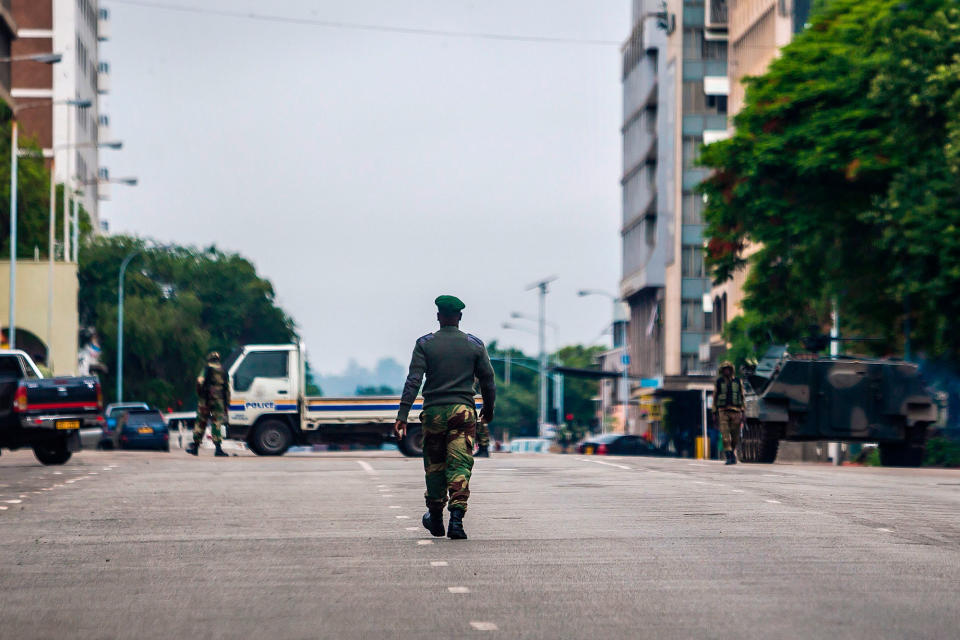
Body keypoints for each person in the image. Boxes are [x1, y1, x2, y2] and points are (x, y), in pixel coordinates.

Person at [394, 295, 496, 540]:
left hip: (434, 413)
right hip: (463, 412)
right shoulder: (475, 345)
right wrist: (489, 409)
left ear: (438, 316)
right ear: (459, 317)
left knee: (435, 465)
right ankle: (457, 522)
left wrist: (403, 414)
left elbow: (414, 381)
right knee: (460, 464)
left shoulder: (425, 344)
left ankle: (436, 518)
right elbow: (488, 380)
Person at [187, 351, 230, 457]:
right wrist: (226, 404)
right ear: (218, 359)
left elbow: (199, 381)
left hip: (205, 401)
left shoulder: (206, 368)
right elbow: (227, 389)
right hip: (219, 401)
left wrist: (200, 394)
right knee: (217, 424)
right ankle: (218, 449)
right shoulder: (224, 370)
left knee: (201, 422)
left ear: (209, 359)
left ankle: (195, 448)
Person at [714, 360, 745, 465]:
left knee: (735, 436)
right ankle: (729, 456)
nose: (726, 371)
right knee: (725, 435)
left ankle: (732, 452)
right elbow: (715, 397)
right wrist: (714, 412)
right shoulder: (719, 382)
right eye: (724, 369)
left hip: (736, 411)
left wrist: (743, 411)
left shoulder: (737, 381)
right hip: (723, 411)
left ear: (731, 370)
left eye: (728, 369)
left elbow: (742, 396)